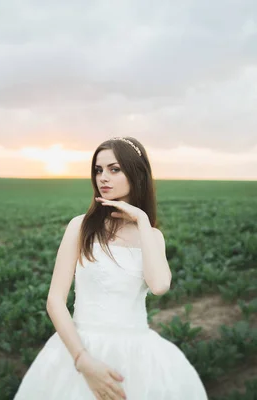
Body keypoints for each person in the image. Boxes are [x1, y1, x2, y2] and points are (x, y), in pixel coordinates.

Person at [14, 137, 208, 399]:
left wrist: (141, 220)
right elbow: (54, 300)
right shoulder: (80, 227)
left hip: (137, 356)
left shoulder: (152, 236)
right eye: (98, 170)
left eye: (114, 169)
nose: (103, 177)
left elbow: (160, 285)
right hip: (79, 349)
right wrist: (83, 361)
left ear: (136, 175)